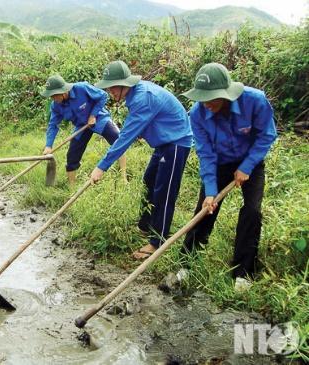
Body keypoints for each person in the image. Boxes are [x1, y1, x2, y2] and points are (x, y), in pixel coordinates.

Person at [180, 62, 277, 291]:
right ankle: (186, 264)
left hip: (250, 162)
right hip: (219, 163)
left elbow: (267, 135)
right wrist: (211, 191)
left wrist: (247, 166)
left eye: (212, 98)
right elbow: (205, 153)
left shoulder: (255, 101)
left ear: (226, 93)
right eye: (203, 98)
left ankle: (243, 271)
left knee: (252, 211)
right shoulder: (197, 113)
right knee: (205, 209)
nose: (207, 104)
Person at [90, 61, 192, 259]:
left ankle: (158, 241)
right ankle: (146, 226)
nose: (110, 92)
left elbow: (125, 137)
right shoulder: (135, 94)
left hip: (176, 142)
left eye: (112, 87)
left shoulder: (142, 98)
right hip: (163, 141)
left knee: (164, 190)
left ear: (124, 84)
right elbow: (144, 122)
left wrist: (101, 167)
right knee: (149, 181)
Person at [41, 74, 127, 184]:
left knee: (117, 139)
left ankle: (123, 178)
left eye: (53, 96)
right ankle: (71, 187)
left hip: (98, 118)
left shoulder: (81, 88)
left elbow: (103, 95)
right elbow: (53, 125)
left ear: (62, 92)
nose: (52, 99)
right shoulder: (56, 106)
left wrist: (93, 115)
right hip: (81, 126)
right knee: (72, 155)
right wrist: (48, 145)